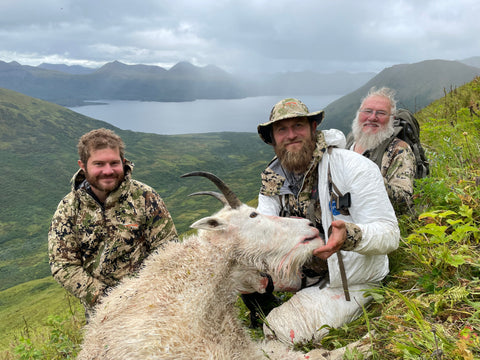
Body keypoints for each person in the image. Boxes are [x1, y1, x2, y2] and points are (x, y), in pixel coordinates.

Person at [252, 98, 399, 344]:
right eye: (281, 129)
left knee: (280, 329)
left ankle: (280, 320)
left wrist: (351, 236)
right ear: (273, 138)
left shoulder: (355, 168)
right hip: (301, 271)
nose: (291, 135)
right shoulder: (273, 179)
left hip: (349, 279)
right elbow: (263, 228)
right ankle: (264, 311)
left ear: (313, 128)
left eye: (298, 125)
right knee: (236, 270)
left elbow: (389, 234)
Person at [48, 128, 178, 319]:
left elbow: (168, 251)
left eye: (114, 163)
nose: (108, 171)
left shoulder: (144, 197)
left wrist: (143, 293)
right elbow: (63, 265)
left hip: (151, 306)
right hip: (102, 314)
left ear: (123, 163)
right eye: (99, 164)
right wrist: (109, 298)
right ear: (83, 165)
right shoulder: (69, 208)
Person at [347, 87, 416, 214]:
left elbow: (405, 200)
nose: (372, 117)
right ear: (359, 113)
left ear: (392, 119)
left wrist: (372, 180)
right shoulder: (348, 144)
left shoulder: (399, 150)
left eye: (381, 113)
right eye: (367, 111)